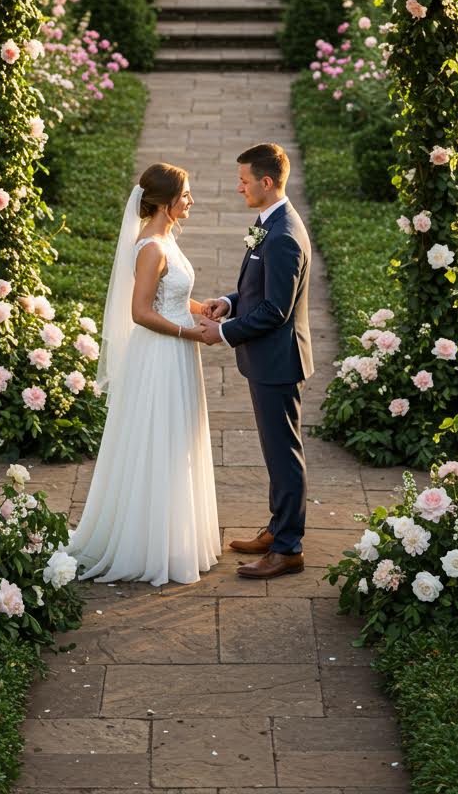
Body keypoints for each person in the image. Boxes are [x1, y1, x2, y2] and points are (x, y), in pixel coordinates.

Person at [67, 162, 221, 586]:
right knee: (159, 438)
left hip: (175, 352)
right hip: (159, 356)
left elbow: (171, 296)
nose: (191, 201)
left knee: (175, 438)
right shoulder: (151, 246)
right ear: (166, 202)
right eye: (186, 194)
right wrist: (188, 333)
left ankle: (171, 535)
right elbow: (140, 311)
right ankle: (148, 543)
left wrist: (199, 305)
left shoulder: (166, 238)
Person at [200, 142, 313, 580]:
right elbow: (258, 293)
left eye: (244, 181)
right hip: (269, 361)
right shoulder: (271, 221)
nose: (238, 187)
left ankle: (287, 549)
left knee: (284, 456)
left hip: (278, 363)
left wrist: (223, 333)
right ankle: (277, 528)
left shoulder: (283, 235)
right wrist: (228, 303)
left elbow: (275, 311)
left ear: (267, 182)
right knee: (275, 451)